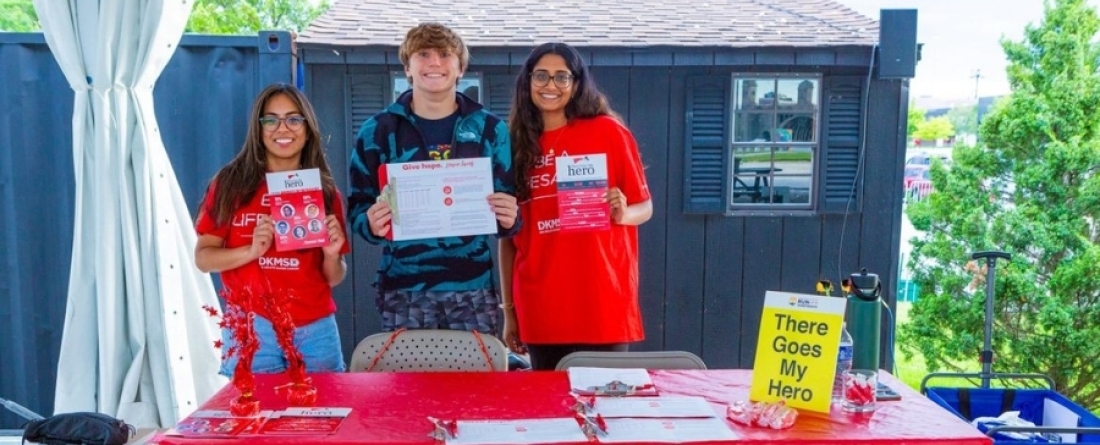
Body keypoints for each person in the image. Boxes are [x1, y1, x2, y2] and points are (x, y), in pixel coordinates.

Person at [348, 23, 519, 335]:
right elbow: (357, 208)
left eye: (445, 54)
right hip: (404, 291)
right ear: (407, 67)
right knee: (408, 385)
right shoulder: (377, 131)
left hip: (473, 290)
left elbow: (509, 207)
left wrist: (510, 217)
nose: (435, 63)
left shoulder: (491, 130)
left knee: (476, 384)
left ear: (460, 67)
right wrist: (370, 223)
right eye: (423, 54)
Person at [500, 42, 654, 370]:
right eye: (541, 75)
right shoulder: (514, 145)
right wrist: (510, 313)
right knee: (549, 410)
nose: (550, 85)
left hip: (601, 300)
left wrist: (624, 213)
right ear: (527, 82)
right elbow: (508, 239)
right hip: (541, 304)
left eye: (561, 77)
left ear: (576, 82)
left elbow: (645, 207)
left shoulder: (608, 132)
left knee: (604, 407)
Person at [194, 83, 350, 375]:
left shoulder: (324, 191)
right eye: (271, 119)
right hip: (253, 325)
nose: (283, 128)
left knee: (324, 413)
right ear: (259, 127)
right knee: (256, 415)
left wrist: (331, 255)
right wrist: (251, 251)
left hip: (314, 327)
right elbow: (203, 258)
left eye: (293, 119)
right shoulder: (231, 183)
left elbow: (334, 276)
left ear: (307, 128)